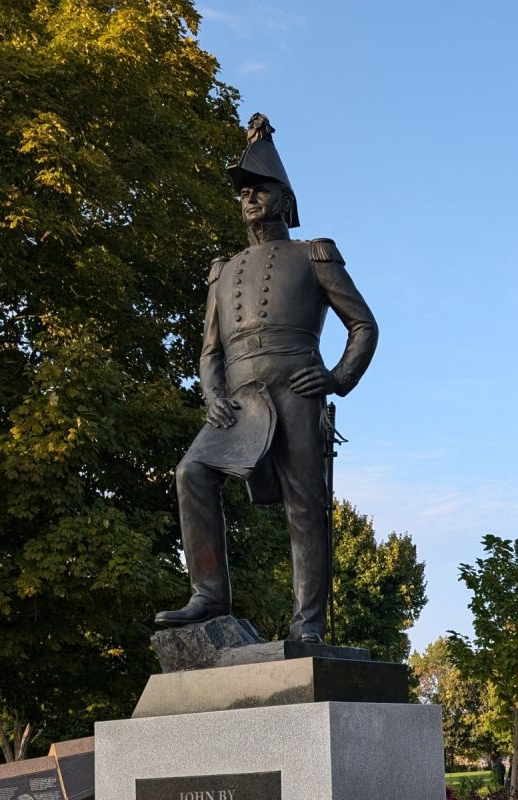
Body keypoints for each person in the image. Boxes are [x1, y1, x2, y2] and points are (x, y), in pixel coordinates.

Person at [154, 114, 379, 641]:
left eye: (262, 189)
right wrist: (212, 394)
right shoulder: (223, 269)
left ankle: (308, 625)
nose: (251, 198)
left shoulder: (313, 255)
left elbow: (363, 325)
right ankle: (209, 596)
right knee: (191, 473)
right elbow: (210, 350)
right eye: (245, 192)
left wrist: (337, 377)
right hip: (238, 401)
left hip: (297, 388)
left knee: (306, 505)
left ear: (286, 200)